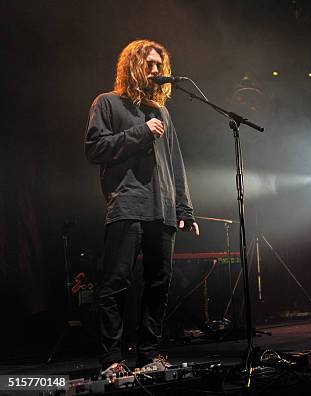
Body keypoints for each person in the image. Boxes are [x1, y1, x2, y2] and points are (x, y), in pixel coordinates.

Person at [84, 39, 200, 373]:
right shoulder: (107, 103)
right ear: (132, 65)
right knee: (116, 284)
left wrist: (185, 209)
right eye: (148, 64)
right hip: (127, 205)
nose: (154, 71)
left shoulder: (162, 111)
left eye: (157, 66)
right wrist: (141, 133)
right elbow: (95, 149)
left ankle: (149, 356)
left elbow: (176, 163)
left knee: (158, 284)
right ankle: (112, 359)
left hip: (161, 209)